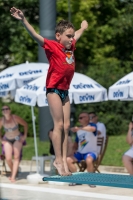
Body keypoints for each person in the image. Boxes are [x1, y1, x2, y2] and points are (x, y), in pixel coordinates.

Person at [10, 7, 88, 176]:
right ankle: (58, 160)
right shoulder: (52, 46)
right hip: (53, 90)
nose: (71, 38)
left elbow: (78, 34)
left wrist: (83, 27)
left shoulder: (71, 45)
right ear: (58, 36)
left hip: (65, 91)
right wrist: (23, 20)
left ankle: (64, 161)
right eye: (68, 36)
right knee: (58, 125)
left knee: (67, 126)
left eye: (72, 36)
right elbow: (35, 35)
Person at [67, 112, 97, 186]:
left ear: (87, 118)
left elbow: (92, 129)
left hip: (91, 152)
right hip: (80, 153)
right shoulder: (79, 130)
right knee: (67, 160)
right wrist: (73, 149)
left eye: (81, 118)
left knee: (89, 160)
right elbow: (76, 142)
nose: (79, 120)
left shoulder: (92, 125)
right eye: (79, 118)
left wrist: (79, 128)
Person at [0, 105, 28, 182]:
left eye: (7, 109)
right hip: (7, 139)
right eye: (3, 109)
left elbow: (25, 124)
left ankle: (13, 176)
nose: (5, 110)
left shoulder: (15, 118)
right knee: (8, 158)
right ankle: (14, 171)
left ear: (10, 110)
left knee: (16, 157)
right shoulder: (2, 120)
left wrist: (24, 136)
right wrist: (1, 139)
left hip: (17, 138)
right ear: (2, 112)